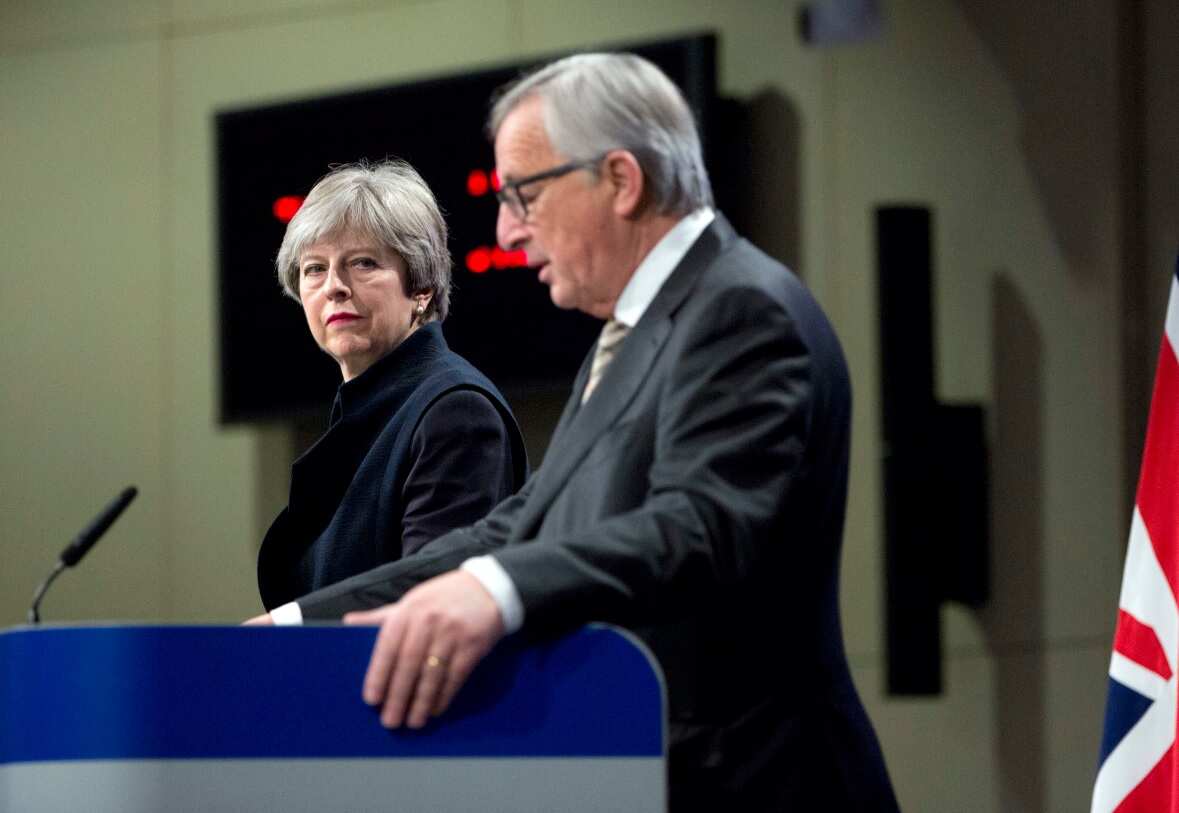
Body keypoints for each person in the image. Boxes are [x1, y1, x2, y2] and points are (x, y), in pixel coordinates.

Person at [258, 55, 899, 810]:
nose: (506, 229)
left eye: (522, 194)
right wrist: (298, 622)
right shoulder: (626, 333)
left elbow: (697, 524)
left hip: (762, 781)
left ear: (620, 181)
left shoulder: (739, 309)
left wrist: (492, 592)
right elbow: (516, 526)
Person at [254, 160, 528, 613]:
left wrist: (289, 625)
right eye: (314, 269)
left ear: (420, 285)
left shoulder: (456, 411)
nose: (334, 287)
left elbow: (430, 599)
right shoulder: (366, 415)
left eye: (363, 263)